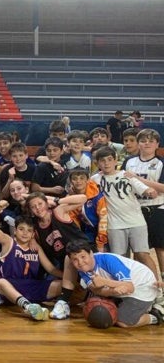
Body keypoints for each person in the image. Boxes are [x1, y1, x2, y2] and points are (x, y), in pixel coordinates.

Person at [92, 146, 160, 279]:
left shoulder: (126, 175)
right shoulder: (95, 179)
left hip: (136, 222)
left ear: (116, 160)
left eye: (109, 160)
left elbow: (146, 190)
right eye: (102, 160)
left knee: (142, 255)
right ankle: (127, 286)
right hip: (114, 225)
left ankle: (157, 287)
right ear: (97, 163)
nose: (106, 163)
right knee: (120, 259)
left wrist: (149, 191)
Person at [0, 200, 63, 321]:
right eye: (21, 229)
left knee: (63, 284)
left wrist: (68, 278)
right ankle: (28, 306)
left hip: (32, 286)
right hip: (11, 287)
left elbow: (50, 268)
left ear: (33, 234)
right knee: (0, 282)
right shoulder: (9, 242)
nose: (25, 233)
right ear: (15, 231)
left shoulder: (36, 247)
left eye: (29, 230)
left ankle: (62, 306)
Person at [65, 239, 163, 328]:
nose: (80, 262)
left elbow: (130, 287)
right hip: (125, 288)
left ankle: (155, 316)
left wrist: (105, 282)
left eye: (83, 257)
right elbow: (97, 290)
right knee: (99, 308)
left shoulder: (108, 260)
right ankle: (145, 306)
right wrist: (113, 291)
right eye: (75, 260)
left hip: (143, 286)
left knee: (122, 322)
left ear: (90, 253)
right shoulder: (82, 269)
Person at [122, 128, 164, 285]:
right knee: (140, 250)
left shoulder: (160, 162)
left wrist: (138, 179)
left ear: (157, 144)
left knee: (161, 248)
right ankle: (145, 282)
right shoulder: (129, 162)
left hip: (157, 208)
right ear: (138, 143)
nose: (147, 143)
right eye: (143, 140)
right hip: (134, 210)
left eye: (151, 141)